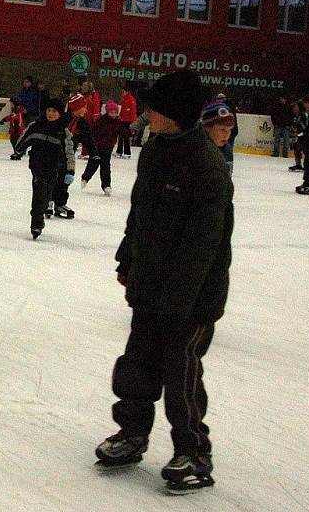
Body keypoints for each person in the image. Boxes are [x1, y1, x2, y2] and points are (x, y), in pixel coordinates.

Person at [95, 70, 234, 495]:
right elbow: (140, 215)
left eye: (154, 108)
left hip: (192, 297)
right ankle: (133, 433)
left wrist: (178, 301)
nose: (146, 113)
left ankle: (195, 452)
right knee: (137, 363)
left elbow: (203, 247)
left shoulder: (207, 168)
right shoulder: (154, 151)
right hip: (152, 282)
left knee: (181, 374)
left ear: (174, 113)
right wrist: (127, 258)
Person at [12, 97, 75, 239]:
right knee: (38, 195)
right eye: (48, 110)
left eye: (54, 111)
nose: (51, 114)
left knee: (46, 196)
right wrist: (19, 150)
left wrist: (70, 170)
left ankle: (45, 208)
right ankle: (36, 223)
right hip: (38, 166)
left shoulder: (63, 131)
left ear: (60, 113)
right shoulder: (36, 125)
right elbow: (24, 139)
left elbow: (69, 152)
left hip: (54, 168)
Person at [81, 99, 123, 195]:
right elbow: (93, 131)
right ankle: (85, 178)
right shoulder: (101, 120)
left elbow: (122, 131)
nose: (113, 114)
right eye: (111, 112)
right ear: (107, 112)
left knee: (105, 167)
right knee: (93, 163)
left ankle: (106, 185)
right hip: (97, 147)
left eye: (115, 112)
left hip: (108, 148)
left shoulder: (118, 122)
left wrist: (128, 132)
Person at [116, 85, 138, 158]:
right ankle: (119, 151)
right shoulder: (124, 100)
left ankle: (127, 153)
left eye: (123, 92)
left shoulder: (131, 100)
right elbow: (122, 110)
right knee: (121, 136)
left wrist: (133, 122)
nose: (122, 93)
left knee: (126, 137)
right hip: (123, 121)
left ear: (127, 92)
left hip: (128, 122)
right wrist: (120, 116)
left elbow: (133, 112)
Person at [289, 101, 308, 172]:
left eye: (296, 106)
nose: (294, 108)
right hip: (299, 136)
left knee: (305, 150)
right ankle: (298, 164)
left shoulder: (303, 115)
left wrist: (302, 133)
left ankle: (307, 166)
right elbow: (295, 125)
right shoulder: (295, 116)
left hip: (305, 136)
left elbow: (306, 126)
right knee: (297, 148)